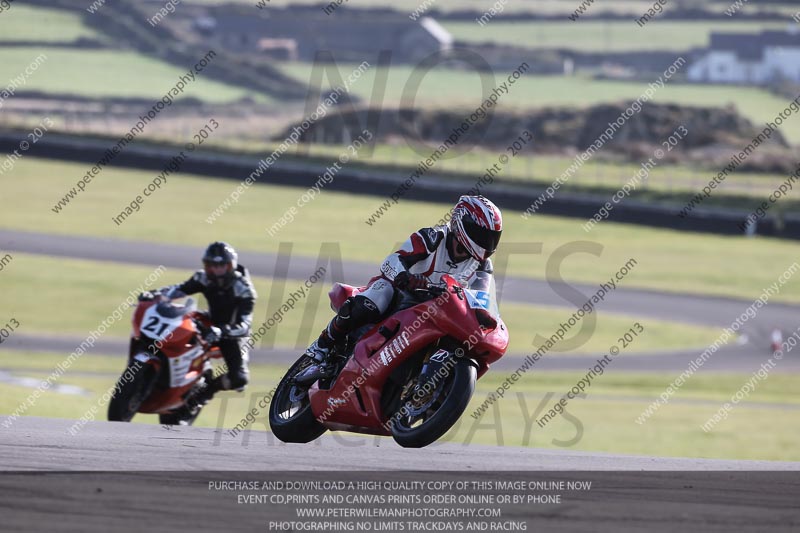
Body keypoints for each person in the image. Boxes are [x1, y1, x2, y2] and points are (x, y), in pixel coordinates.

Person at [304, 195, 503, 378]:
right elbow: (392, 261)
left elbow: (482, 298)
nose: (488, 242)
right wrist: (405, 277)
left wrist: (488, 319)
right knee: (374, 302)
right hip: (400, 292)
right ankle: (321, 347)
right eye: (482, 234)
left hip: (437, 310)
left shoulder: (483, 265)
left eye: (493, 237)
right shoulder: (433, 237)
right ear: (462, 223)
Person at [142, 241, 257, 413]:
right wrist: (155, 294)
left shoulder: (245, 290)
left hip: (231, 333)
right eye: (212, 266)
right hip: (208, 320)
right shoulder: (202, 278)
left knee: (239, 379)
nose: (217, 270)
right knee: (178, 328)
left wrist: (222, 331)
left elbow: (245, 325)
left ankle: (209, 390)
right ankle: (165, 371)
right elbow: (179, 290)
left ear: (231, 265)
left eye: (222, 266)